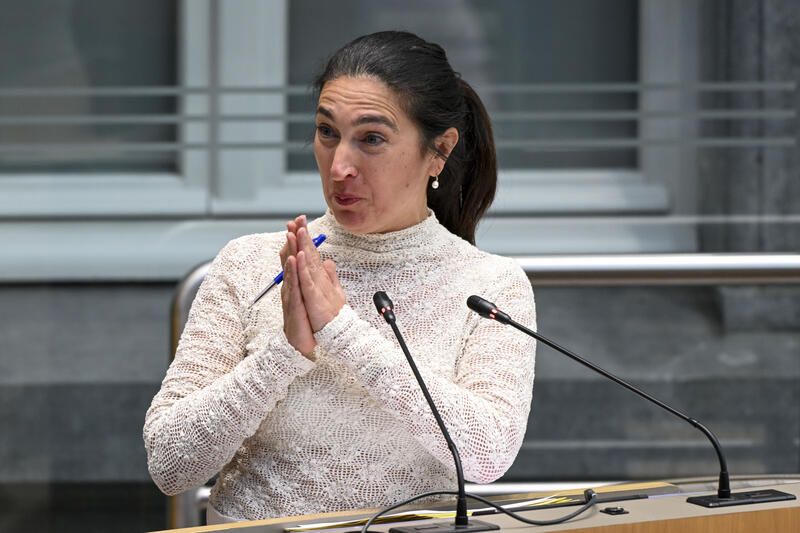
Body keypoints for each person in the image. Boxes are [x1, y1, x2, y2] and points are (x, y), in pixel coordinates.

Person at [143, 30, 536, 524]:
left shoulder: (490, 284)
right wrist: (284, 353)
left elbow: (488, 454)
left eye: (371, 138)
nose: (340, 166)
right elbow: (170, 463)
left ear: (439, 150)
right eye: (328, 132)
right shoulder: (252, 262)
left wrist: (342, 329)